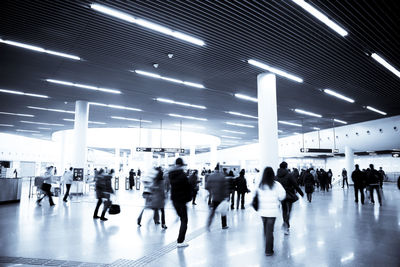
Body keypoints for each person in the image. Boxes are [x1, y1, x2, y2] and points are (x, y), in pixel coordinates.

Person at [257, 167, 286, 256]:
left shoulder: (261, 185)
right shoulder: (276, 185)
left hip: (262, 211)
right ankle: (268, 250)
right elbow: (282, 196)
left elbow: (256, 196)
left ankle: (267, 245)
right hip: (272, 212)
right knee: (270, 230)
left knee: (266, 229)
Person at [169, 158, 192, 248]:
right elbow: (187, 188)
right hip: (182, 200)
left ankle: (181, 240)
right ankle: (180, 241)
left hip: (174, 200)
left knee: (181, 218)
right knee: (184, 220)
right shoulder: (182, 175)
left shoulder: (171, 174)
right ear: (181, 165)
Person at [276, 161, 304, 235]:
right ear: (286, 167)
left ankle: (286, 225)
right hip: (289, 195)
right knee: (289, 211)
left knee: (284, 210)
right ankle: (286, 224)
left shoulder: (277, 176)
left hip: (281, 196)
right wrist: (301, 193)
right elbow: (295, 185)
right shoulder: (289, 175)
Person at [206, 164, 229, 230]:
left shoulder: (210, 177)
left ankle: (208, 225)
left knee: (212, 212)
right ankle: (224, 225)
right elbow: (225, 187)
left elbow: (207, 187)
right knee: (223, 212)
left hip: (215, 197)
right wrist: (227, 196)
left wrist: (211, 191)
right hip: (221, 197)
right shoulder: (222, 176)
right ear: (219, 169)